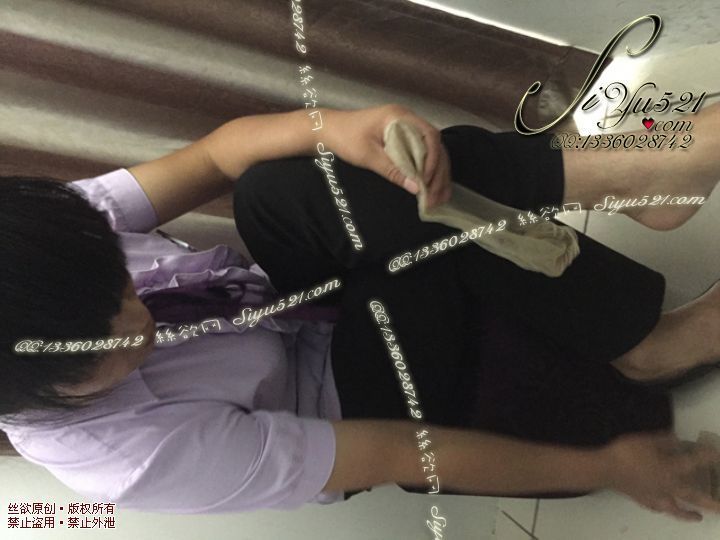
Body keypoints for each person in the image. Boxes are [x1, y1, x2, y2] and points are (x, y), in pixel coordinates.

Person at [2, 103, 720, 523]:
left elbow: (220, 156)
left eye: (119, 290)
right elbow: (401, 451)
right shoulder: (122, 458)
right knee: (388, 209)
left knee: (288, 186)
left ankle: (636, 173)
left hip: (302, 305)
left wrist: (344, 126)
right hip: (351, 398)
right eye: (103, 348)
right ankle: (652, 345)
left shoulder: (41, 244)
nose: (137, 322)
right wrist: (607, 466)